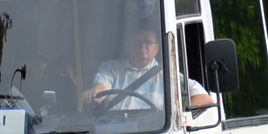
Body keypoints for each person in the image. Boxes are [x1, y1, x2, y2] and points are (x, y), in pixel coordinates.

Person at [82, 25, 215, 110]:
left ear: (156, 48)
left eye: (148, 42)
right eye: (137, 41)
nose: (142, 45)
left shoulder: (169, 76)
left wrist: (184, 118)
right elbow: (100, 86)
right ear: (128, 45)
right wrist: (94, 93)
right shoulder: (111, 68)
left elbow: (205, 99)